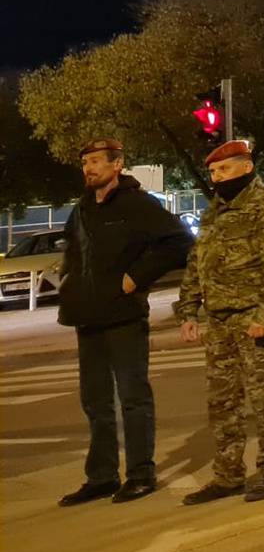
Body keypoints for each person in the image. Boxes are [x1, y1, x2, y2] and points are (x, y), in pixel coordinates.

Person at [55, 139, 193, 507]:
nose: (89, 168)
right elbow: (73, 249)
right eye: (85, 162)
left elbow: (179, 242)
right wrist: (69, 284)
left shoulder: (136, 204)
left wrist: (137, 276)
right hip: (89, 318)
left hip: (124, 316)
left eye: (97, 161)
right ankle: (101, 476)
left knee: (133, 398)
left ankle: (140, 474)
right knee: (95, 401)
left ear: (118, 164)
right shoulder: (83, 207)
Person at [173, 139, 264, 504]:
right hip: (219, 320)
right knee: (223, 403)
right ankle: (228, 475)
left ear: (246, 167)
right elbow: (199, 261)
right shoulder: (215, 210)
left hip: (254, 319)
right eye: (212, 171)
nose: (216, 177)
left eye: (224, 169)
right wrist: (188, 309)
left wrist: (262, 314)